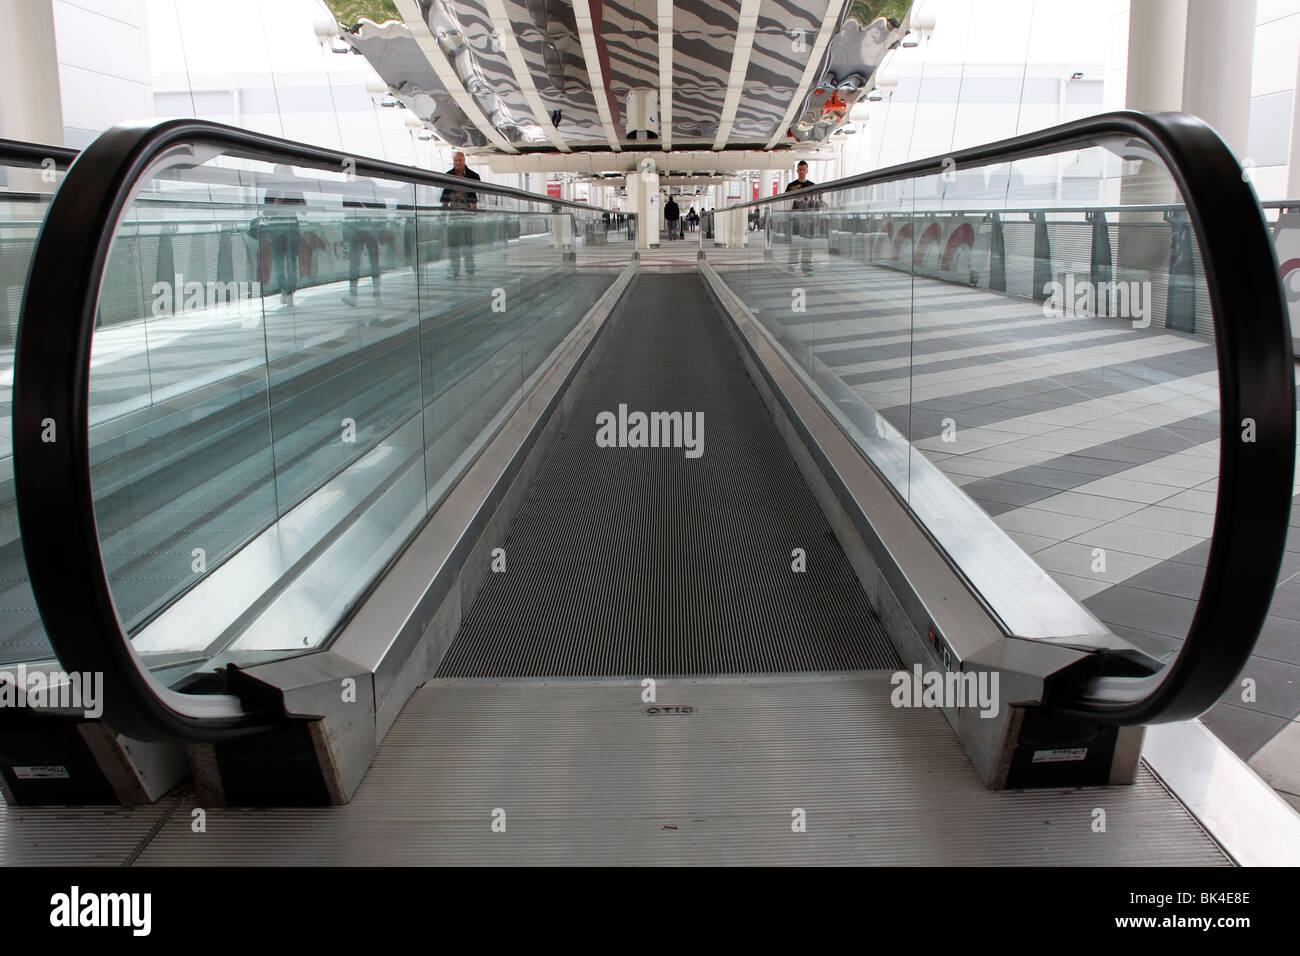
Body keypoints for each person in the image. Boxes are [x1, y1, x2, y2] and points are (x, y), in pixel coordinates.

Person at [264, 165, 305, 305]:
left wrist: (300, 204)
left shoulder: (295, 189)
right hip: (277, 231)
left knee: (291, 263)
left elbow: (304, 210)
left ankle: (289, 291)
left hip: (291, 229)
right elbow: (266, 212)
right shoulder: (272, 189)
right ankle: (285, 289)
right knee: (279, 263)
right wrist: (274, 205)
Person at [440, 151, 481, 278]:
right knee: (454, 244)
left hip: (468, 212)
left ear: (464, 161)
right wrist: (443, 212)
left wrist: (474, 211)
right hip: (454, 214)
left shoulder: (473, 176)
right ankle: (455, 271)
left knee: (468, 242)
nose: (457, 163)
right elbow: (445, 197)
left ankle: (469, 270)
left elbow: (477, 193)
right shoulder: (448, 175)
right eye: (455, 161)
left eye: (460, 160)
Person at [341, 199, 382, 306]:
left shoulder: (349, 195)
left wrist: (345, 236)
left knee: (355, 265)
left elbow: (347, 218)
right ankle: (377, 294)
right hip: (368, 231)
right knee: (374, 263)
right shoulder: (370, 193)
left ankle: (353, 296)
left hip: (356, 232)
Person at [785, 160, 819, 274]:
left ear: (807, 170)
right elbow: (786, 203)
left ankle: (807, 267)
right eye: (800, 169)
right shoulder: (791, 186)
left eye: (804, 169)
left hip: (809, 220)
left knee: (808, 245)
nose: (802, 172)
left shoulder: (812, 186)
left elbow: (816, 203)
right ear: (797, 170)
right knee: (795, 244)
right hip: (795, 220)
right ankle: (792, 266)